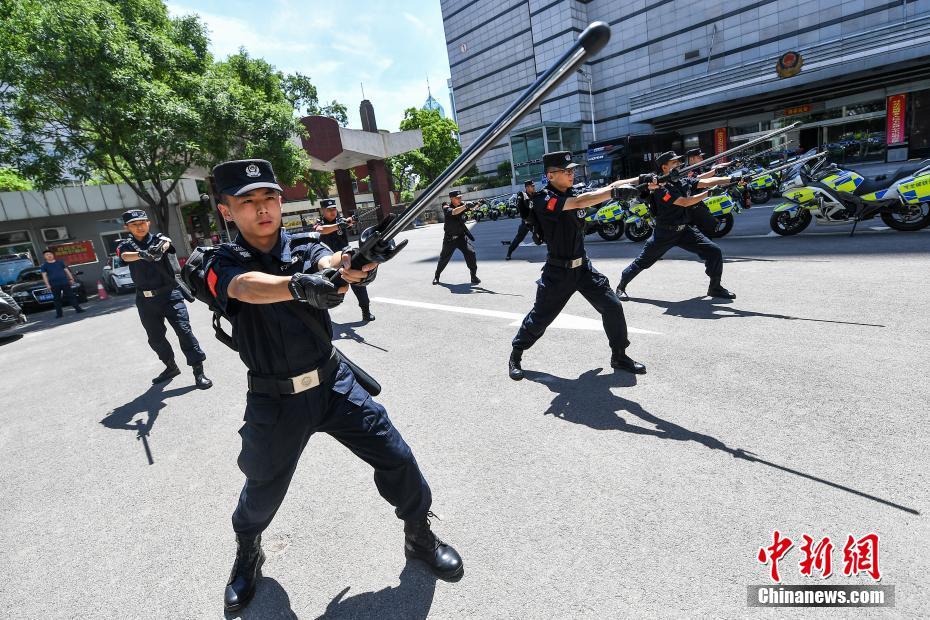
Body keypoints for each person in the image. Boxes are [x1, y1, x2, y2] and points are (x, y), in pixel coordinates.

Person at [206, 159, 462, 612]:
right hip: (275, 396)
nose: (262, 209)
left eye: (269, 198)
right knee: (262, 485)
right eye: (248, 202)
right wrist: (299, 286)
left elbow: (330, 263)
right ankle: (249, 551)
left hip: (332, 382)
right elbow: (244, 288)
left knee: (397, 456)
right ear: (227, 211)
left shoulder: (303, 246)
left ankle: (418, 535)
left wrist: (357, 263)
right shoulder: (215, 262)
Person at [508, 151, 647, 381]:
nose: (572, 173)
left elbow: (610, 185)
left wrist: (641, 179)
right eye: (567, 171)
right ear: (551, 175)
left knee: (612, 306)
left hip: (583, 268)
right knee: (540, 318)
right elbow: (580, 202)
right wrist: (613, 193)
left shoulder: (571, 191)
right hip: (558, 272)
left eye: (573, 170)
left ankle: (619, 355)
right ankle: (516, 354)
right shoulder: (545, 200)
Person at [615, 151, 740, 302]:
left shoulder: (681, 181)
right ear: (664, 167)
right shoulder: (660, 188)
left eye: (678, 162)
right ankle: (621, 287)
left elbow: (705, 182)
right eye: (674, 163)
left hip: (684, 230)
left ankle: (715, 287)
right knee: (642, 262)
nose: (679, 165)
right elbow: (684, 202)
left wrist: (733, 179)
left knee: (714, 251)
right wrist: (708, 194)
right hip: (664, 233)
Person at [116, 210, 212, 388]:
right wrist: (142, 255)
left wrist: (160, 247)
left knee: (184, 331)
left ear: (148, 223)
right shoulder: (126, 245)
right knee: (155, 338)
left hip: (170, 295)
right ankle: (170, 366)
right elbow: (123, 256)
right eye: (134, 224)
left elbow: (167, 244)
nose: (140, 226)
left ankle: (199, 372)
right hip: (145, 301)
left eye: (143, 222)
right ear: (126, 227)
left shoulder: (159, 239)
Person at [313, 199, 374, 322]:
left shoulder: (341, 221)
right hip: (329, 262)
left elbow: (349, 223)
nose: (332, 212)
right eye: (329, 210)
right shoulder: (319, 223)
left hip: (346, 257)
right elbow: (320, 230)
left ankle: (366, 311)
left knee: (358, 284)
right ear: (323, 211)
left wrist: (352, 220)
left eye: (334, 209)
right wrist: (339, 226)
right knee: (327, 290)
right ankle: (321, 319)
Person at [433, 190, 479, 285]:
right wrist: (465, 206)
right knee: (444, 258)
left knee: (471, 253)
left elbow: (473, 208)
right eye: (457, 198)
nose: (460, 199)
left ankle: (473, 276)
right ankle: (437, 276)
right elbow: (453, 212)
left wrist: (479, 203)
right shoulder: (446, 205)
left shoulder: (462, 204)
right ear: (451, 198)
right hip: (449, 239)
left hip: (461, 237)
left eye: (460, 197)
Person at [39, 249, 85, 318]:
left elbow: (67, 271)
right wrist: (47, 284)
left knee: (71, 296)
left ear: (53, 255)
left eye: (50, 254)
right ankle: (59, 314)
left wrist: (71, 278)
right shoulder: (44, 266)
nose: (49, 256)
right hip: (54, 284)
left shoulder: (60, 262)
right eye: (47, 255)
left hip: (65, 282)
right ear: (44, 257)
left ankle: (78, 309)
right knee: (57, 299)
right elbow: (44, 276)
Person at [503, 180, 536, 260]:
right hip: (526, 222)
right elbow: (521, 209)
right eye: (532, 186)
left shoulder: (535, 195)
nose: (534, 187)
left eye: (533, 186)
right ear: (527, 187)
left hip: (535, 221)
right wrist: (525, 219)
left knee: (544, 235)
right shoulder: (523, 196)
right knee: (519, 239)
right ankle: (509, 252)